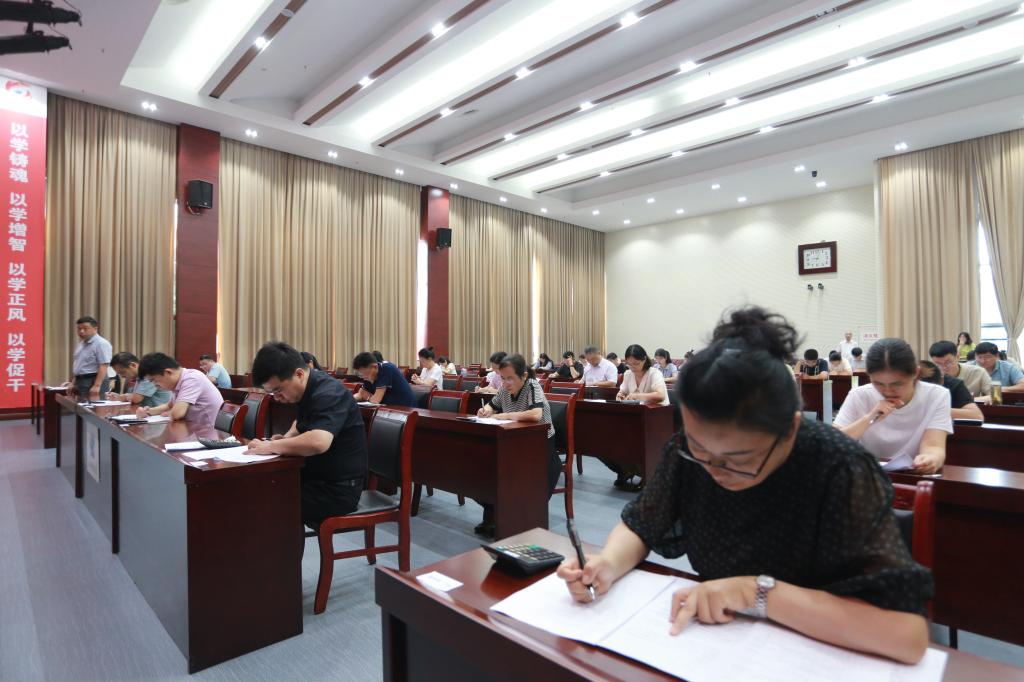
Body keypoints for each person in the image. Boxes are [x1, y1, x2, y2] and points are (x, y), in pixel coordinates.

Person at [556, 307, 932, 664]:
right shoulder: (687, 453)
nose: (714, 470)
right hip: (717, 644)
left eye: (738, 459)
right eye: (700, 449)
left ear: (791, 428)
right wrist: (608, 563)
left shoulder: (839, 466)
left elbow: (906, 635)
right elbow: (642, 523)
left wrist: (755, 592)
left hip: (817, 652)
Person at [246, 342, 368, 533]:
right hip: (314, 478)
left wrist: (270, 447)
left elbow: (319, 442)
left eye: (278, 391)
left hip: (337, 489)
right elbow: (300, 422)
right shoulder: (309, 387)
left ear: (299, 374)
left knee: (269, 505)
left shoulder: (329, 392)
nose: (276, 398)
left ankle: (284, 554)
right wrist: (285, 439)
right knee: (258, 490)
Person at [833, 338, 951, 474]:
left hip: (914, 474)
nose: (888, 391)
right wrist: (870, 418)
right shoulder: (859, 395)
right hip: (869, 475)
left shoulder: (936, 395)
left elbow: (934, 446)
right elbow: (833, 443)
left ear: (916, 373)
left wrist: (930, 459)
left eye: (897, 384)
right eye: (878, 384)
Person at [475, 354, 561, 537]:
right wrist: (485, 411)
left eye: (510, 378)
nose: (506, 383)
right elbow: (491, 405)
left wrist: (502, 416)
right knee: (483, 474)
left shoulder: (532, 386)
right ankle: (494, 515)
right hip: (512, 445)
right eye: (503, 378)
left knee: (519, 481)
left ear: (523, 375)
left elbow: (536, 414)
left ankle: (512, 519)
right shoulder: (504, 389)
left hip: (540, 447)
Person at [135, 352, 224, 427]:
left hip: (208, 432)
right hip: (193, 429)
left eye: (154, 380)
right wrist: (147, 412)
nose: (155, 385)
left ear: (168, 372)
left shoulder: (192, 379)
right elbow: (169, 406)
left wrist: (171, 412)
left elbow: (177, 414)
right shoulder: (179, 381)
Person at [918, 360, 984, 421]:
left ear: (942, 381)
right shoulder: (913, 385)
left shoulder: (954, 385)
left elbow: (977, 416)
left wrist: (935, 411)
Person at [66, 316, 113, 400]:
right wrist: (73, 382)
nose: (81, 331)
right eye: (79, 329)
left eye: (85, 328)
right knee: (81, 406)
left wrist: (97, 385)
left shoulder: (101, 344)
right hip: (80, 380)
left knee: (96, 407)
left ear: (95, 329)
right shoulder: (81, 344)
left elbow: (104, 365)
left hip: (93, 380)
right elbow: (79, 366)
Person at [106, 352, 173, 408]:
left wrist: (119, 397)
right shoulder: (137, 377)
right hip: (147, 412)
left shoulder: (148, 374)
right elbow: (131, 396)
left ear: (133, 365)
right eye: (119, 374)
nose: (122, 376)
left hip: (159, 414)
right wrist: (118, 396)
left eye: (123, 372)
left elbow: (136, 398)